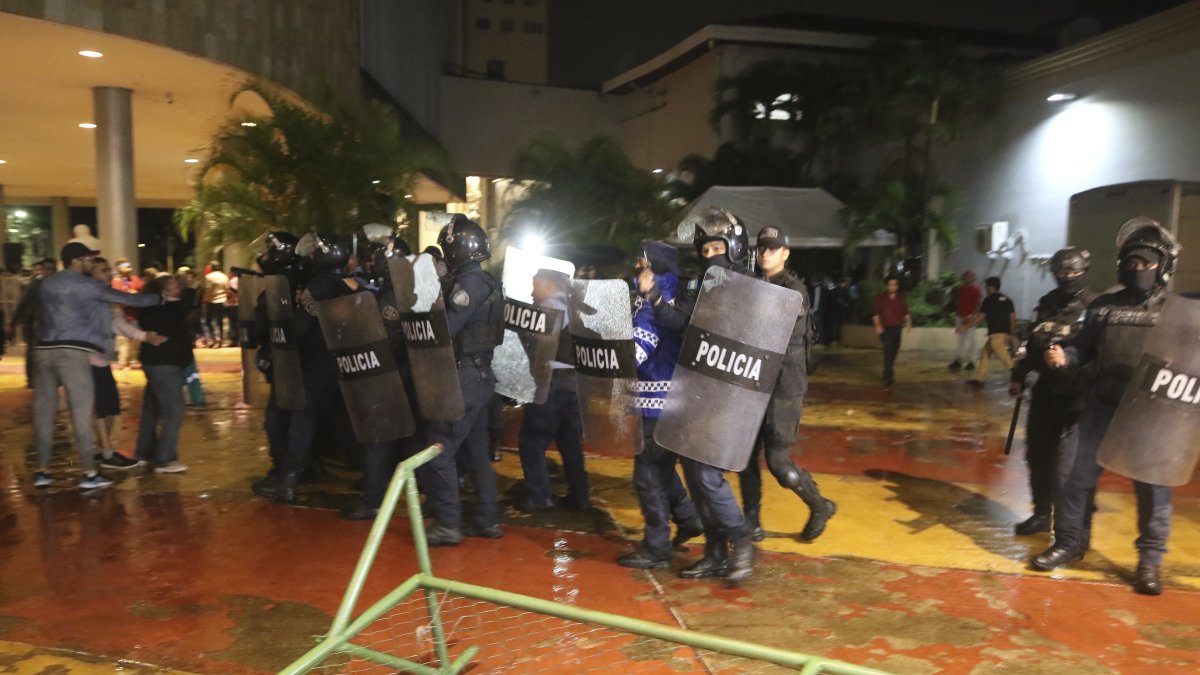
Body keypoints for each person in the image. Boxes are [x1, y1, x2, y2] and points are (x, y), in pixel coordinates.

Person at [1032, 218, 1181, 596]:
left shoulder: (1177, 311)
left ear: (1162, 266)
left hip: (1150, 415)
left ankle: (1149, 562)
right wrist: (1063, 358)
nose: (1137, 269)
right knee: (1069, 475)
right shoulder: (1102, 306)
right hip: (1100, 405)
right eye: (1131, 263)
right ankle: (1069, 542)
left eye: (1145, 263)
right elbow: (1082, 347)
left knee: (1153, 492)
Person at [641, 208, 759, 583]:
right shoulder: (700, 288)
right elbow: (678, 319)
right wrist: (656, 298)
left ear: (734, 247)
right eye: (705, 251)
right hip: (698, 391)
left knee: (707, 475)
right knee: (693, 472)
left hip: (733, 394)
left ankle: (741, 542)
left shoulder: (754, 289)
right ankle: (714, 551)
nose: (711, 256)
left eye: (717, 248)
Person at [31, 242, 164, 489]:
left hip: (43, 350)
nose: (91, 263)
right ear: (77, 261)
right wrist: (161, 297)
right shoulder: (87, 285)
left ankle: (42, 471)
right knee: (81, 413)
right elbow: (126, 299)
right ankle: (90, 473)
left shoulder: (46, 283)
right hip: (73, 351)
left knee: (44, 413)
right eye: (88, 260)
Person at [738, 226, 836, 543]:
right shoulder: (752, 284)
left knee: (778, 462)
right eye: (762, 248)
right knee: (744, 456)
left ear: (785, 253)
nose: (765, 253)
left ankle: (818, 506)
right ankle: (751, 520)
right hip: (753, 382)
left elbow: (765, 330)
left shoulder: (793, 290)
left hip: (783, 386)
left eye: (773, 248)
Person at [417, 215, 505, 546]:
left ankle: (448, 524)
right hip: (480, 377)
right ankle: (487, 521)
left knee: (439, 450)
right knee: (475, 453)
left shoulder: (470, 285)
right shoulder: (487, 282)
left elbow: (447, 329)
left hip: (465, 377)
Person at [253, 233, 359, 502]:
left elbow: (300, 328)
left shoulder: (317, 287)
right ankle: (370, 477)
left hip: (315, 366)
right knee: (343, 422)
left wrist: (281, 336)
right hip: (344, 365)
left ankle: (287, 482)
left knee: (302, 421)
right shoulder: (349, 285)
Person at [1008, 247, 1096, 535]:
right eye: (1062, 273)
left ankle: (1075, 527)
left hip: (1080, 395)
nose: (1068, 278)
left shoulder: (1096, 306)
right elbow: (1032, 341)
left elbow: (1102, 352)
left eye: (1073, 272)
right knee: (1037, 455)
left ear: (1084, 271)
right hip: (1047, 391)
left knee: (1070, 466)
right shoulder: (1048, 303)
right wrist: (1019, 374)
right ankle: (1042, 514)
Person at [516, 268, 590, 512]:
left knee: (531, 441)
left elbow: (537, 350)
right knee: (569, 442)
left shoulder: (546, 310)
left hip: (552, 382)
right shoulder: (577, 308)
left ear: (548, 285)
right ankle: (579, 495)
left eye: (535, 284)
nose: (531, 290)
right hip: (575, 382)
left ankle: (539, 496)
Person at [89, 257, 166, 469]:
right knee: (99, 407)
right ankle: (105, 452)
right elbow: (121, 319)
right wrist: (159, 299)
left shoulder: (106, 297)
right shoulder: (90, 297)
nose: (108, 274)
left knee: (110, 406)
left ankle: (103, 449)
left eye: (108, 270)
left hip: (101, 359)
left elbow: (119, 323)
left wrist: (144, 336)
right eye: (103, 271)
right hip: (89, 359)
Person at [133, 275, 192, 473]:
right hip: (165, 363)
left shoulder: (153, 308)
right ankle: (165, 459)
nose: (180, 287)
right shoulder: (169, 308)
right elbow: (183, 312)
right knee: (174, 410)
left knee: (152, 408)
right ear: (164, 290)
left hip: (156, 362)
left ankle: (145, 452)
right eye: (175, 285)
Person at [7, 257, 56, 388]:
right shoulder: (36, 284)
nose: (48, 272)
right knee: (34, 352)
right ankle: (33, 379)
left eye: (51, 269)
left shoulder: (52, 283)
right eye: (47, 269)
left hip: (50, 325)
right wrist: (13, 322)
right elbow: (23, 304)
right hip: (37, 324)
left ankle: (41, 379)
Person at [963, 277, 1016, 388]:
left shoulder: (988, 300)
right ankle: (979, 379)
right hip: (1003, 333)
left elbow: (980, 317)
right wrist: (1011, 334)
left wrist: (966, 326)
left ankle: (1018, 375)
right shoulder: (1007, 300)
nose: (985, 288)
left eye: (986, 286)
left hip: (996, 334)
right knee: (985, 353)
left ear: (991, 287)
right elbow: (1012, 318)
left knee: (1005, 357)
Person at [872, 275, 911, 387]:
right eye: (890, 285)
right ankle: (888, 375)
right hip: (885, 328)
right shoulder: (880, 298)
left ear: (897, 286)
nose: (892, 287)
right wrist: (878, 326)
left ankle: (888, 368)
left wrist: (909, 323)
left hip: (897, 328)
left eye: (894, 285)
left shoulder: (900, 298)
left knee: (895, 348)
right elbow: (875, 314)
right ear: (887, 285)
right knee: (888, 350)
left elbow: (906, 312)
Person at [110, 259, 143, 369]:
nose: (128, 269)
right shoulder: (115, 281)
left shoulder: (134, 280)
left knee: (135, 338)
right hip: (121, 314)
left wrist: (136, 293)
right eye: (125, 266)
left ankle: (133, 359)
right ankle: (123, 361)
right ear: (119, 269)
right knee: (122, 339)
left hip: (133, 313)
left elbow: (142, 289)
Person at [949, 270, 982, 370]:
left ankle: (971, 361)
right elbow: (958, 301)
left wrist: (973, 315)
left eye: (970, 276)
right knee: (961, 339)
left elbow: (978, 303)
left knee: (970, 339)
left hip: (969, 317)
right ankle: (959, 360)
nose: (968, 278)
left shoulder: (975, 289)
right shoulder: (962, 289)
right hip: (960, 315)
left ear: (973, 278)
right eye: (966, 276)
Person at [202, 261, 229, 347]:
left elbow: (207, 290)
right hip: (223, 300)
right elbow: (227, 289)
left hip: (211, 301)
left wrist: (204, 300)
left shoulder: (208, 277)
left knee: (208, 321)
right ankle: (220, 338)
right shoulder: (224, 276)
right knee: (220, 321)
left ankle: (213, 339)